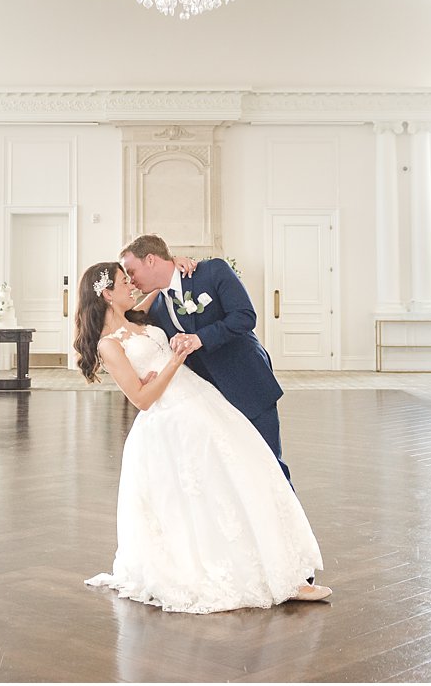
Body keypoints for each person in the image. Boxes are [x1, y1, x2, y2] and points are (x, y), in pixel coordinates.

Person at [76, 262, 330, 612]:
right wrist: (174, 361)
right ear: (106, 294)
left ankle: (285, 570)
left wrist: (176, 261)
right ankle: (241, 574)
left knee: (247, 477)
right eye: (123, 282)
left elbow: (164, 287)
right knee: (203, 500)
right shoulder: (109, 345)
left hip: (205, 403)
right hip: (171, 422)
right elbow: (143, 399)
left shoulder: (140, 316)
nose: (131, 285)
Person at [119, 235, 294, 482]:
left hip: (247, 384)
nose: (132, 281)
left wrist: (199, 338)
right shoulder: (157, 307)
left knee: (269, 464)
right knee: (232, 473)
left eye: (132, 271)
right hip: (208, 401)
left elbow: (244, 317)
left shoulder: (212, 272)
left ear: (150, 260)